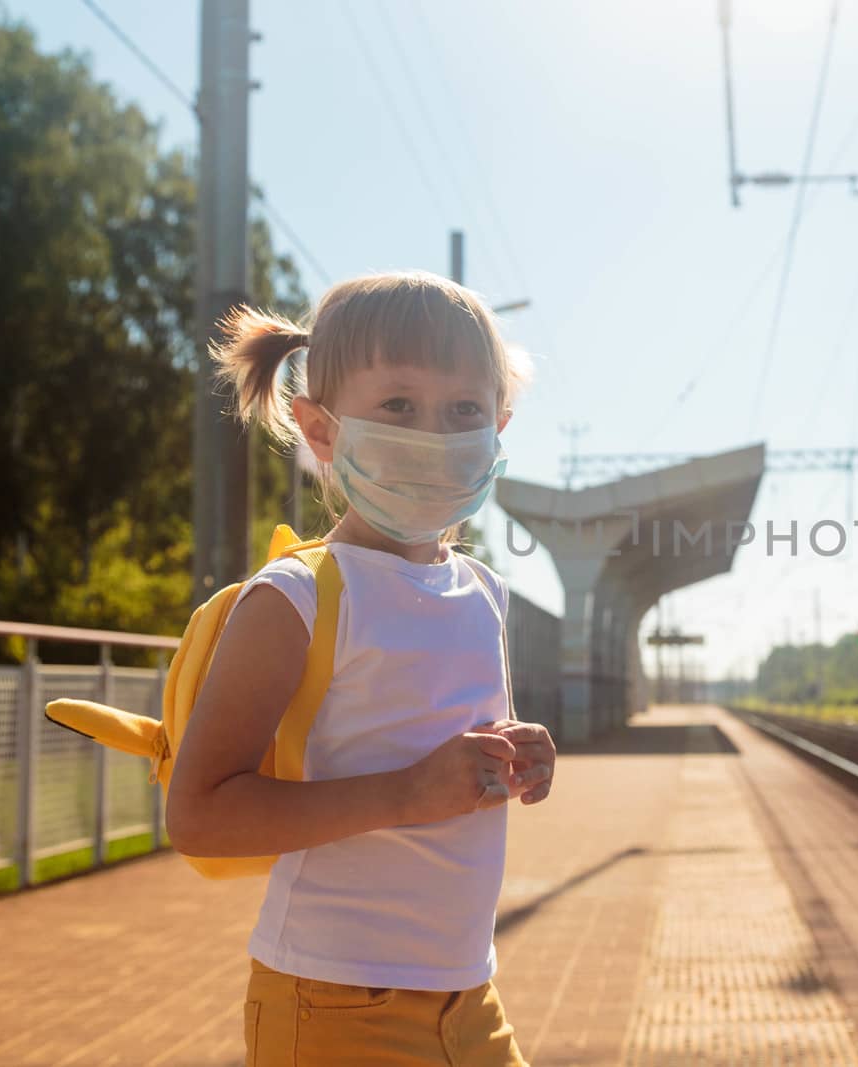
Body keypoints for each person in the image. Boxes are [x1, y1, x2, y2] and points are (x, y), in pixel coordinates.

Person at [165, 271, 554, 1066]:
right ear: (321, 430)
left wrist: (518, 758)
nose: (434, 435)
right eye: (399, 406)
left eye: (464, 412)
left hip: (470, 994)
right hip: (332, 1002)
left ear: (499, 426)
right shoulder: (298, 596)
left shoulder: (484, 591)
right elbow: (199, 812)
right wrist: (406, 793)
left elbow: (448, 748)